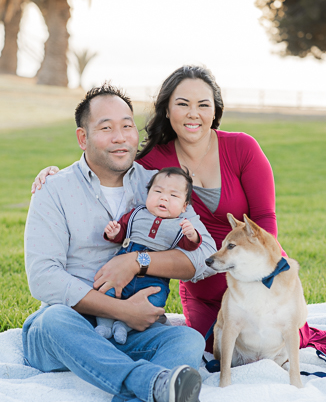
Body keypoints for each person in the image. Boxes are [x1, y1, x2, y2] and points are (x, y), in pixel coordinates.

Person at [36, 65, 324, 356]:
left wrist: (253, 274)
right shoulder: (153, 165)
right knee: (215, 350)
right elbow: (108, 160)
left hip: (259, 275)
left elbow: (265, 220)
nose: (192, 113)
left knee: (277, 344)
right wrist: (55, 176)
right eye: (182, 104)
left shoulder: (243, 148)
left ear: (215, 111)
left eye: (203, 105)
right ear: (167, 111)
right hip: (202, 284)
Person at [24, 84, 216, 402]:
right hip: (71, 325)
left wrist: (139, 262)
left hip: (134, 328)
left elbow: (204, 254)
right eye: (106, 127)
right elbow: (43, 277)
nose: (121, 137)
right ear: (83, 138)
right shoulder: (54, 190)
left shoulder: (158, 185)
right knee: (52, 320)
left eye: (127, 126)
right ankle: (152, 385)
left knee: (189, 339)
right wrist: (121, 309)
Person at [98, 166, 201, 343]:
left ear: (184, 206)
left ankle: (125, 325)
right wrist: (113, 233)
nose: (164, 197)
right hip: (122, 270)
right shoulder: (136, 214)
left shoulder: (180, 225)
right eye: (158, 191)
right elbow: (122, 233)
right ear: (148, 195)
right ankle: (105, 325)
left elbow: (190, 247)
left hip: (153, 278)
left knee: (157, 299)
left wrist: (192, 235)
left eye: (173, 195)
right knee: (105, 291)